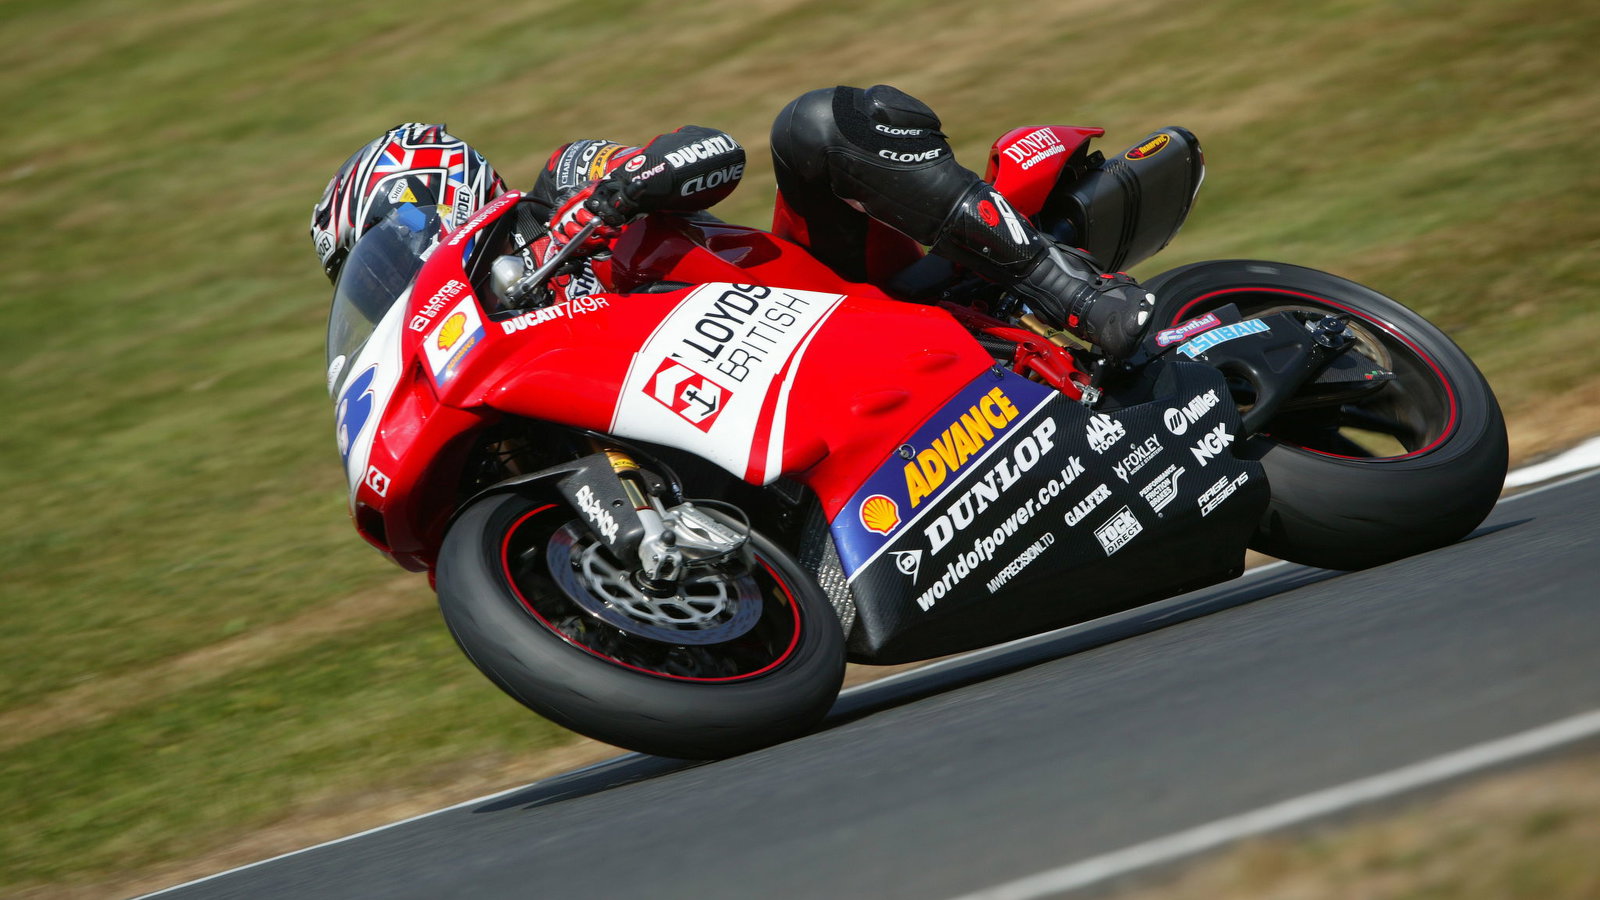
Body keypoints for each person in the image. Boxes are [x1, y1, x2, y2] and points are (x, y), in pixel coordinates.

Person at [311, 86, 1153, 359]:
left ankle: (1066, 287)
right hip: (765, 390)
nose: (390, 279)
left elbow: (709, 154)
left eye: (380, 251)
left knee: (814, 127)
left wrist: (620, 193)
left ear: (425, 192)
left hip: (822, 291)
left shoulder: (561, 183)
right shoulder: (495, 348)